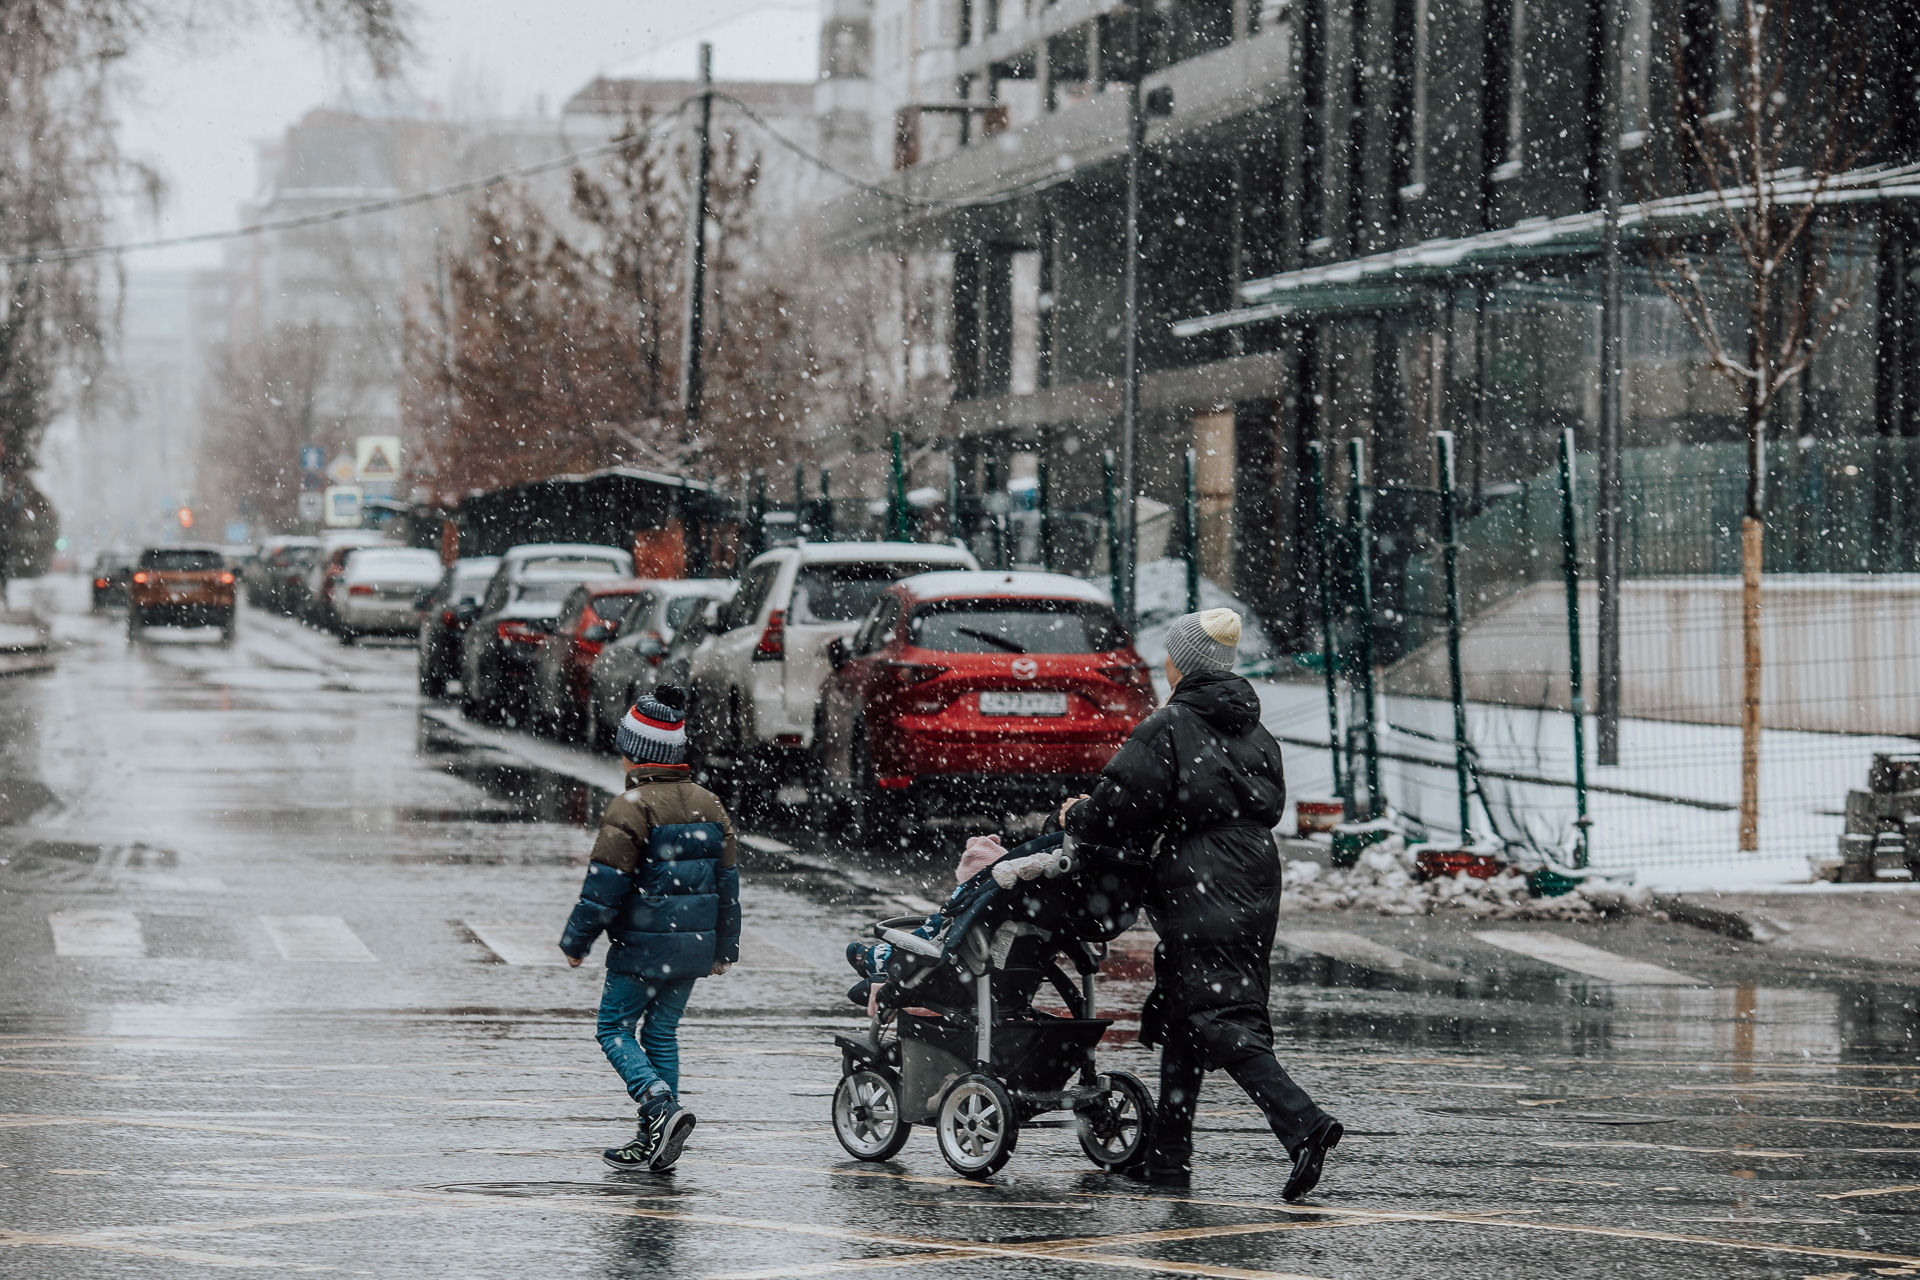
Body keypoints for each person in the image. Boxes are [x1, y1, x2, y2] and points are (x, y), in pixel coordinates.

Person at [1063, 608, 1342, 1199]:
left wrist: (1073, 816)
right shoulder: (1254, 730)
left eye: (1169, 654)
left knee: (1220, 1014)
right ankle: (1168, 1160)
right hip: (1254, 875)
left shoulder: (1170, 726)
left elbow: (1118, 805)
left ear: (1181, 663)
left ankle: (1303, 1125)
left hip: (1202, 879)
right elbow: (1263, 802)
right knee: (1191, 1010)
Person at [559, 685, 741, 1173]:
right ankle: (656, 1140)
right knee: (661, 1033)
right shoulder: (710, 803)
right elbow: (728, 884)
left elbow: (604, 886)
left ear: (634, 754)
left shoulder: (632, 807)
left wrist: (577, 941)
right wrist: (724, 947)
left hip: (641, 948)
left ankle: (658, 1105)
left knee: (614, 1027)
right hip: (692, 950)